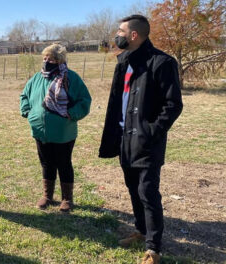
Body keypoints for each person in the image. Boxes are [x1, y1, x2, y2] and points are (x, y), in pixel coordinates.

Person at [99, 15, 183, 264]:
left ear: (133, 35)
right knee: (133, 189)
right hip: (125, 139)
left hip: (147, 143)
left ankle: (153, 249)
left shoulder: (162, 62)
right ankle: (141, 231)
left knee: (148, 192)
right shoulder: (124, 62)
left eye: (120, 30)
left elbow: (173, 105)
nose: (117, 34)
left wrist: (151, 132)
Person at [20, 44, 91, 212]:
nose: (46, 61)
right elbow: (24, 95)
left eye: (50, 59)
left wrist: (72, 113)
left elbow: (84, 100)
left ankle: (67, 198)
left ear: (59, 61)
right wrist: (27, 111)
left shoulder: (71, 78)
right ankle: (47, 196)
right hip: (40, 131)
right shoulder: (37, 78)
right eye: (44, 58)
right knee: (46, 163)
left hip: (63, 132)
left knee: (63, 163)